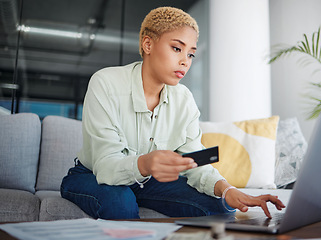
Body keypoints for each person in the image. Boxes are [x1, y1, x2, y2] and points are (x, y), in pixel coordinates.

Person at [61, 6, 285, 220]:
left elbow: (195, 161)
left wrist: (227, 190)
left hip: (148, 181)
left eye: (191, 54)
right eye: (177, 48)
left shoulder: (184, 99)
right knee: (120, 202)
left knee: (219, 207)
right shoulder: (105, 83)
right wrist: (146, 163)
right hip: (93, 176)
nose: (184, 61)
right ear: (148, 44)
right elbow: (106, 166)